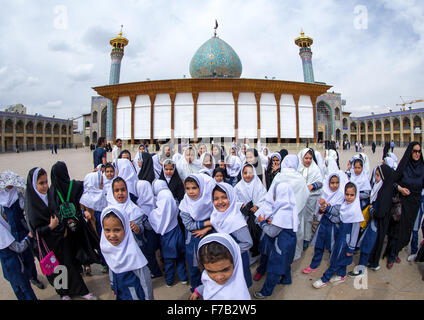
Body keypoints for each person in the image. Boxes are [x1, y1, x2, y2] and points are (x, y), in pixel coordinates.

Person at [25, 167, 98, 300]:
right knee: (57, 269)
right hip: (48, 243)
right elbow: (35, 231)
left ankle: (81, 290)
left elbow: (59, 212)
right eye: (41, 183)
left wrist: (62, 227)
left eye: (46, 182)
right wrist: (50, 227)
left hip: (60, 238)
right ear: (33, 185)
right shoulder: (32, 205)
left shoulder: (49, 197)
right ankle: (64, 293)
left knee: (69, 265)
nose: (45, 186)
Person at [49, 162, 102, 276]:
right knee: (83, 242)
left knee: (71, 246)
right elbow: (88, 185)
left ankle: (77, 267)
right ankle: (87, 264)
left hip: (64, 225)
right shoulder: (74, 185)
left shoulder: (52, 190)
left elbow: (52, 208)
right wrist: (93, 175)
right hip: (78, 221)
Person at [312, 182, 364, 288]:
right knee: (339, 257)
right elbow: (337, 213)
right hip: (340, 237)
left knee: (336, 260)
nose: (349, 197)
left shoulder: (355, 212)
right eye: (347, 194)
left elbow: (355, 232)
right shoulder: (344, 205)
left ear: (356, 195)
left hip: (346, 241)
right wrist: (325, 208)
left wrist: (351, 249)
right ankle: (341, 275)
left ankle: (324, 279)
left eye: (352, 195)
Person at [253, 182, 298, 299]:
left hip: (281, 245)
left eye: (275, 193)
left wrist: (262, 222)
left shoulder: (282, 213)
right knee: (286, 262)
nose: (273, 196)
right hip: (289, 241)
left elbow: (272, 232)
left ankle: (266, 291)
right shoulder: (289, 207)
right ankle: (286, 279)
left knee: (275, 268)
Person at [0, 171, 45, 289]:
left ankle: (33, 277)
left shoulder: (19, 195)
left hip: (22, 229)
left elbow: (25, 210)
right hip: (10, 233)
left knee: (28, 255)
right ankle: (24, 279)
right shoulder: (1, 198)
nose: (9, 185)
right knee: (17, 259)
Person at [384, 142, 424, 269]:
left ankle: (396, 251)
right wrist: (401, 189)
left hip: (415, 203)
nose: (417, 154)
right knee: (397, 231)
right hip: (402, 203)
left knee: (407, 232)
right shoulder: (404, 166)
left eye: (419, 151)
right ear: (410, 152)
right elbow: (392, 182)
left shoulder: (422, 168)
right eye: (414, 151)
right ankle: (391, 255)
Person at [100, 206, 154, 300]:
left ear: (125, 228)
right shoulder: (109, 249)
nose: (112, 235)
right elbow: (112, 267)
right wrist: (113, 286)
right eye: (107, 230)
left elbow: (146, 281)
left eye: (117, 230)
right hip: (120, 293)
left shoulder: (133, 253)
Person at [350, 164, 394, 275]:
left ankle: (360, 269)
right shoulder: (382, 188)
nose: (376, 179)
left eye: (378, 176)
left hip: (376, 223)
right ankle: (373, 263)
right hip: (378, 223)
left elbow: (379, 212)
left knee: (367, 244)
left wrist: (371, 210)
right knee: (373, 243)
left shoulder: (384, 193)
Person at [303, 171, 347, 274]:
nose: (334, 185)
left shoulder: (340, 195)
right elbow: (318, 209)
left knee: (332, 246)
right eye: (332, 183)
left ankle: (334, 266)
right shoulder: (325, 193)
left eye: (337, 183)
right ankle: (314, 265)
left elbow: (338, 211)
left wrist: (327, 207)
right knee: (319, 244)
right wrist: (322, 207)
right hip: (323, 222)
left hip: (333, 224)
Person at [210, 183, 253, 288]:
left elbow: (247, 243)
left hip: (236, 260)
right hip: (223, 260)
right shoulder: (216, 215)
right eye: (216, 199)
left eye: (224, 198)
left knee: (238, 286)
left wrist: (227, 251)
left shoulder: (235, 220)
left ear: (231, 198)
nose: (220, 202)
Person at [179, 174, 216, 292]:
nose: (191, 192)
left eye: (194, 188)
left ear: (201, 188)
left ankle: (209, 288)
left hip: (208, 237)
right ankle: (195, 289)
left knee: (209, 264)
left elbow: (219, 217)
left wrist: (206, 229)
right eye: (188, 188)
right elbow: (189, 225)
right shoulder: (185, 203)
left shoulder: (209, 201)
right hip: (193, 240)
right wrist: (207, 223)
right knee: (194, 267)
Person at [270, 155, 309, 261]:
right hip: (296, 211)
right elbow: (305, 194)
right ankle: (295, 254)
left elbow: (271, 194)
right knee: (296, 232)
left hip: (281, 212)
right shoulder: (300, 177)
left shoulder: (279, 176)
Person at [190, 233, 251, 300]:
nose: (219, 277)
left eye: (225, 270)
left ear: (235, 262)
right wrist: (198, 291)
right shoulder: (207, 276)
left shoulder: (240, 296)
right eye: (211, 271)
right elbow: (209, 284)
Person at [149, 180, 188, 287]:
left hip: (167, 237)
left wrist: (152, 212)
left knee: (169, 262)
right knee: (180, 258)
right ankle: (184, 278)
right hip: (177, 231)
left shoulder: (161, 198)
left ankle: (170, 281)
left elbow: (158, 217)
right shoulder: (170, 197)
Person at [234, 163, 267, 268]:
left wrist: (257, 206)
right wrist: (243, 205)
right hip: (244, 216)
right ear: (241, 174)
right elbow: (234, 201)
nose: (247, 175)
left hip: (256, 216)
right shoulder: (238, 187)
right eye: (245, 173)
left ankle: (255, 254)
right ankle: (248, 256)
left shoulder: (258, 185)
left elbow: (264, 199)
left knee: (256, 235)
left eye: (250, 173)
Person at [0, 211, 37, 300]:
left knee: (17, 289)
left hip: (7, 268)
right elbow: (19, 248)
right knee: (26, 288)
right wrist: (29, 236)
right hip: (15, 266)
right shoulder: (3, 233)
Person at [297, 148, 323, 251]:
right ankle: (299, 238)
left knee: (308, 219)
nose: (308, 160)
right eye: (306, 158)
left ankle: (306, 239)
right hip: (299, 199)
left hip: (310, 198)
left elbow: (320, 182)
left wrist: (313, 185)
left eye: (310, 158)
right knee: (299, 219)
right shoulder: (297, 168)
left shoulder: (315, 169)